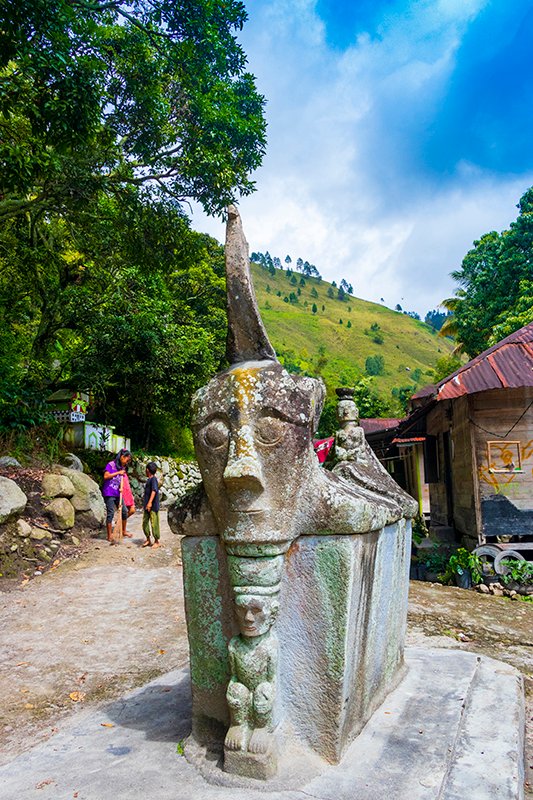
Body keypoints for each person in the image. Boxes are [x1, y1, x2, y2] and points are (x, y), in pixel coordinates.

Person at [102, 449, 132, 543]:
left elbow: (121, 480)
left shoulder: (122, 467)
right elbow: (106, 476)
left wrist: (121, 488)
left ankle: (123, 531)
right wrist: (118, 473)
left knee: (124, 511)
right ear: (122, 457)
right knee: (111, 512)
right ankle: (109, 535)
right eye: (127, 460)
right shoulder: (111, 464)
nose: (127, 462)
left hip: (118, 493)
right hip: (109, 492)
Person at [142, 461, 161, 548]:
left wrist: (149, 503)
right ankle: (148, 539)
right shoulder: (149, 480)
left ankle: (156, 541)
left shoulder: (153, 479)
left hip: (153, 506)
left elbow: (154, 491)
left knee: (154, 523)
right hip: (147, 505)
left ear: (147, 470)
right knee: (145, 522)